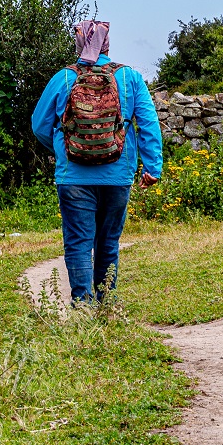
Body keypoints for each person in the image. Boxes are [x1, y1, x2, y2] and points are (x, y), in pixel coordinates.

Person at [30, 19, 163, 305]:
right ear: (107, 44)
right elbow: (149, 124)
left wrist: (63, 148)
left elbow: (39, 125)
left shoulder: (63, 78)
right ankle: (107, 303)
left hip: (73, 176)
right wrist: (153, 167)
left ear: (78, 44)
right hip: (118, 175)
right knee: (108, 242)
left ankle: (82, 305)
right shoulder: (129, 78)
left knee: (78, 242)